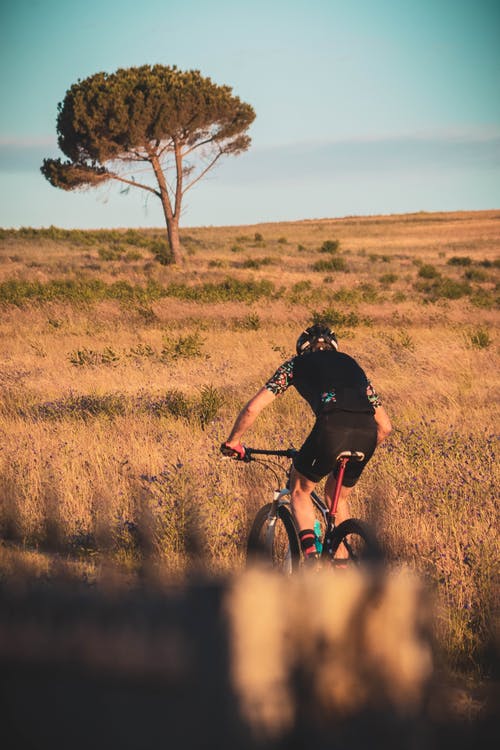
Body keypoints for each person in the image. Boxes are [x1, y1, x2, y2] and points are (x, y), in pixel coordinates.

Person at [221, 324, 392, 561]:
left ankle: (311, 560)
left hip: (331, 428)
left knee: (300, 490)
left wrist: (234, 441)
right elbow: (385, 427)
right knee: (337, 497)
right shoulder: (353, 365)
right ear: (334, 347)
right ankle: (341, 564)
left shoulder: (294, 365)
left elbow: (252, 408)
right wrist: (359, 447)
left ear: (302, 348)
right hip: (366, 434)